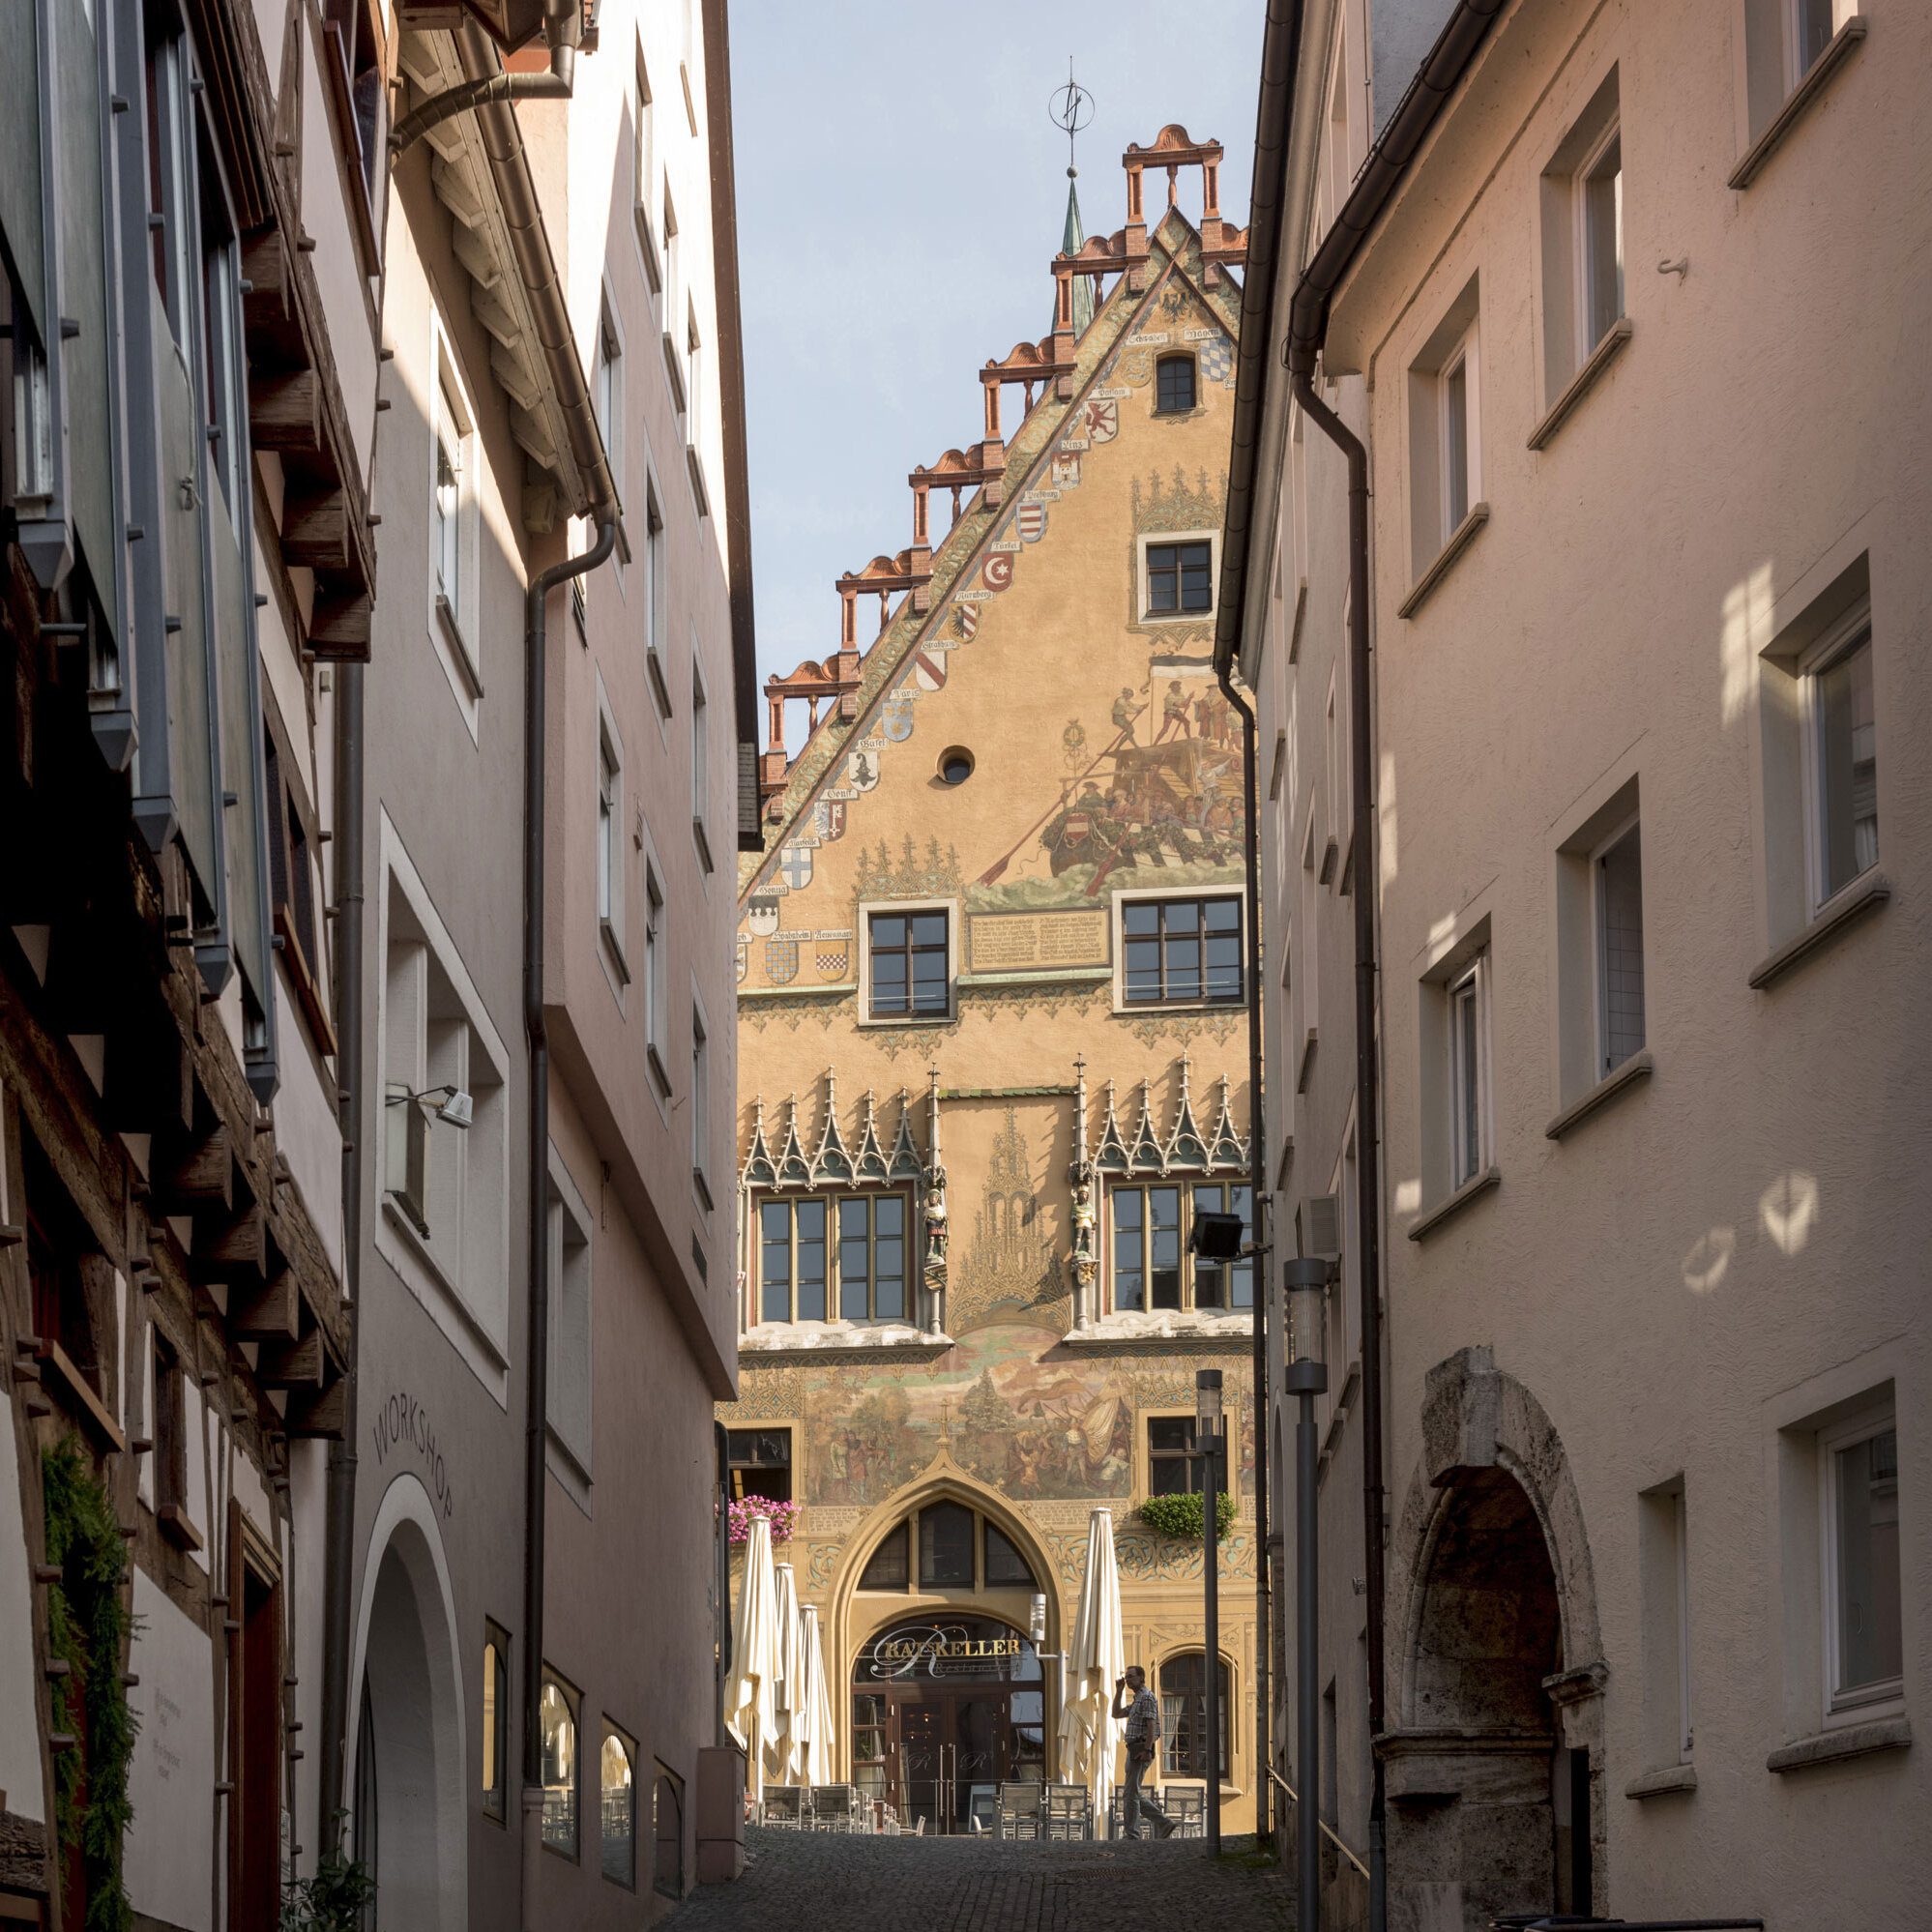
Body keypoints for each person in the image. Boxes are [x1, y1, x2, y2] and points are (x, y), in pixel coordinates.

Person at [1112, 1666, 1176, 1838]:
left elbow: (1151, 1725)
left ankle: (1132, 1834)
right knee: (1131, 1793)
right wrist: (1119, 1691)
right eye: (1126, 1677)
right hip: (1133, 1749)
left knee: (1130, 1794)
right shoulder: (1137, 1700)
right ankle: (1164, 1823)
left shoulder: (1147, 1697)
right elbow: (1116, 1713)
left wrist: (1147, 1749)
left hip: (1141, 1749)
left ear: (1142, 1677)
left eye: (1131, 1677)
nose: (1128, 1680)